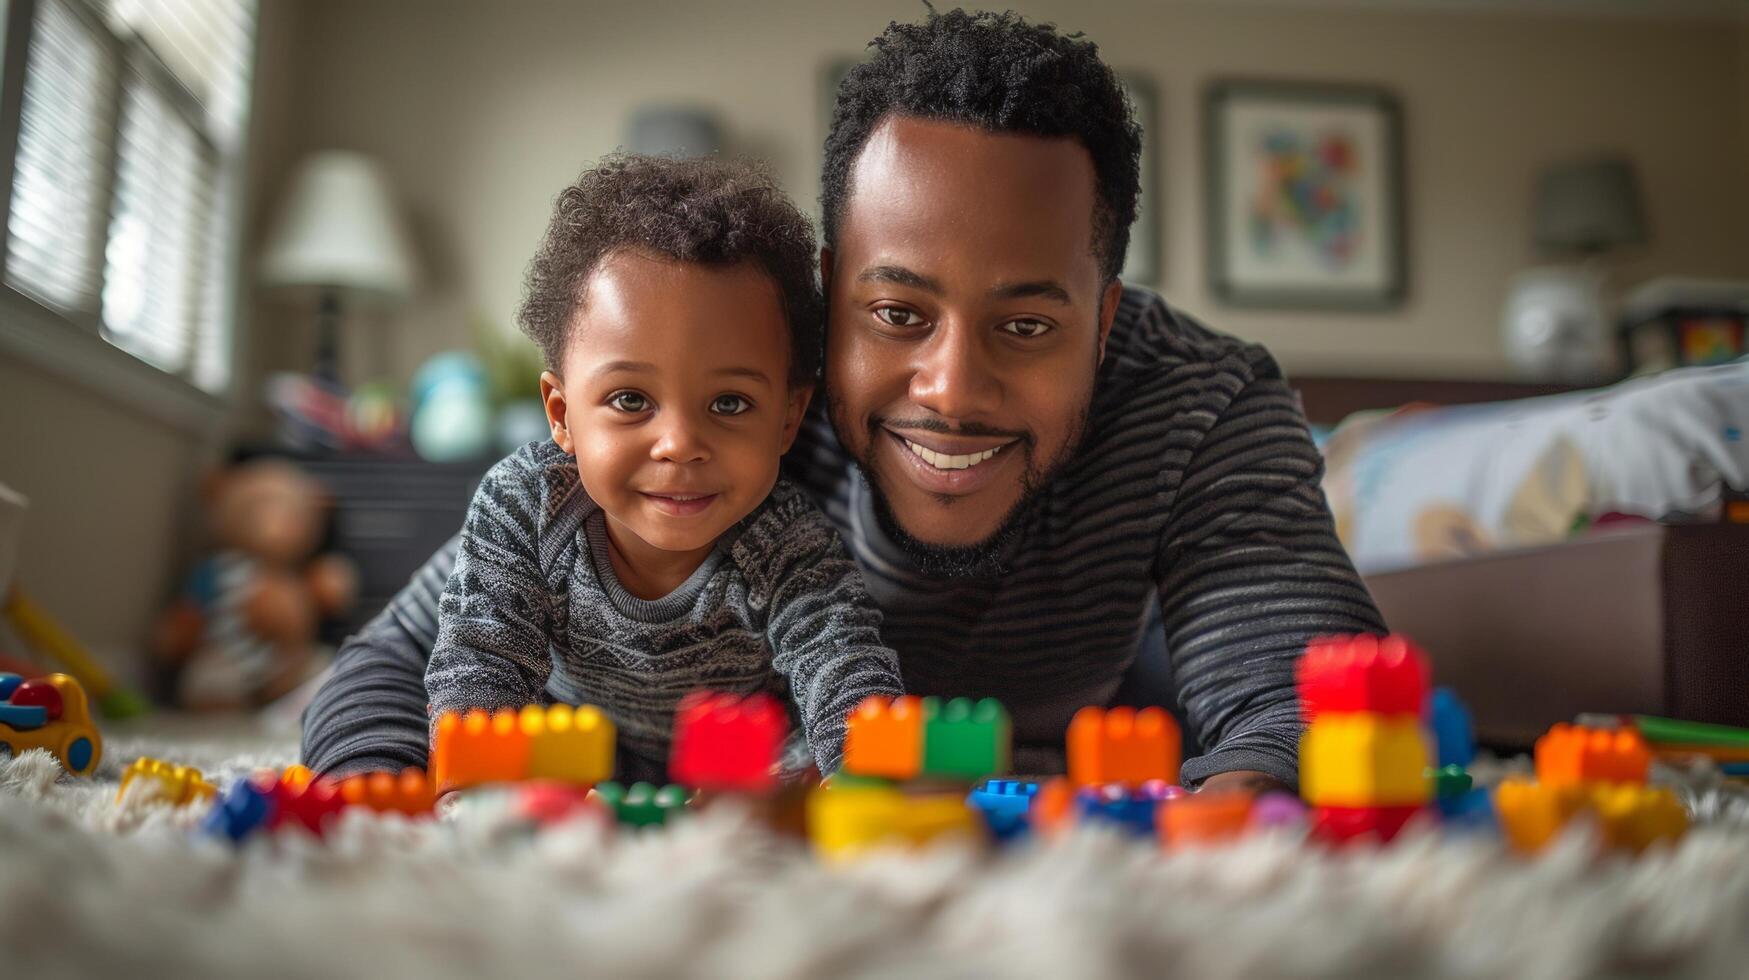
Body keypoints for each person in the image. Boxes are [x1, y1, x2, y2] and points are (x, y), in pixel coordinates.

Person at [302, 9, 1383, 791]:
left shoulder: (1205, 402)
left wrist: (1226, 842)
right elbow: (401, 660)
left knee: (1194, 685)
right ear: (826, 294)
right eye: (898, 313)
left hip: (1093, 677)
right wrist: (397, 814)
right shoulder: (729, 387)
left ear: (1103, 321)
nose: (952, 390)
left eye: (1026, 323)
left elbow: (1295, 699)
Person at [424, 155, 901, 781]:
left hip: (739, 772)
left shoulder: (785, 543)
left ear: (788, 418)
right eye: (630, 401)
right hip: (577, 758)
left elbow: (845, 672)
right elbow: (479, 665)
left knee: (798, 778)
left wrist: (873, 786)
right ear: (561, 414)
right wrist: (470, 793)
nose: (678, 444)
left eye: (729, 404)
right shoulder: (527, 506)